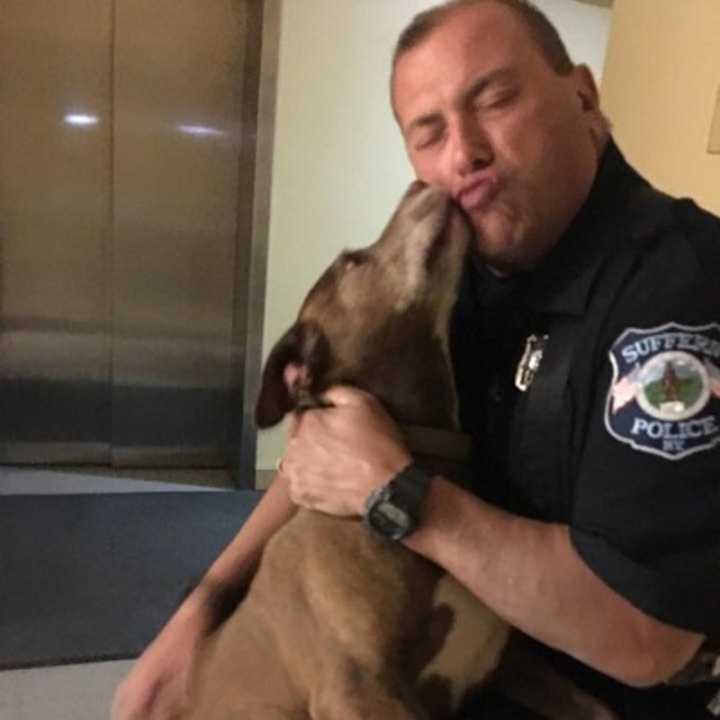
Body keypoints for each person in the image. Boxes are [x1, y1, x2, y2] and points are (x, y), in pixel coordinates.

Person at [113, 1, 720, 718]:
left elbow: (646, 640)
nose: (463, 153)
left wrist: (403, 497)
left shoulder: (678, 291)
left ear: (584, 96)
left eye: (494, 99)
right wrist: (203, 609)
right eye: (428, 133)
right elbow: (334, 449)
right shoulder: (464, 265)